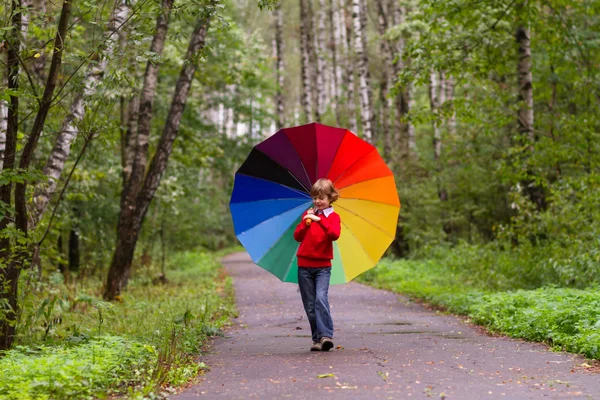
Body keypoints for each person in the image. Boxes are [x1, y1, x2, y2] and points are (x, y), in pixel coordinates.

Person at [293, 178, 341, 352]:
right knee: (310, 305)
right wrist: (307, 222)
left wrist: (319, 220)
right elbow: (297, 236)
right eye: (315, 197)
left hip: (323, 267)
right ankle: (317, 339)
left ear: (330, 198)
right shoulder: (308, 214)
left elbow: (334, 234)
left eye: (321, 198)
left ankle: (326, 335)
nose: (318, 201)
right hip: (304, 266)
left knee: (321, 298)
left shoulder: (333, 217)